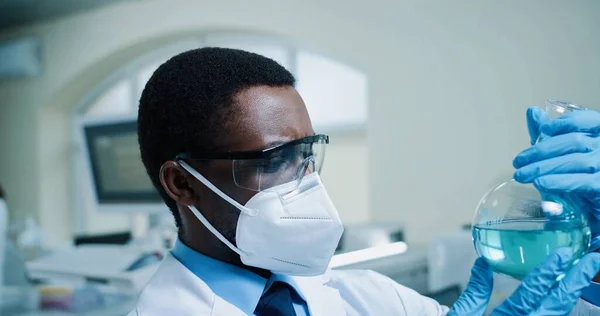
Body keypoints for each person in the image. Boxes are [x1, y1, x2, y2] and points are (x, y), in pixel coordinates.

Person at [129, 47, 600, 315]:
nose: (303, 180)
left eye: (306, 154)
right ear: (182, 184)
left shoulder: (370, 297)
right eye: (274, 159)